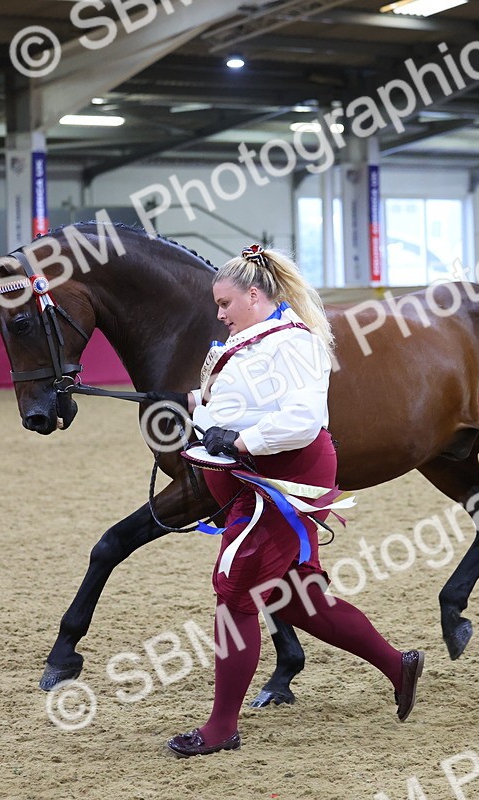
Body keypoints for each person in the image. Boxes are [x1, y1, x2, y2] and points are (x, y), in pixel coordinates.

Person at [146, 244, 423, 758]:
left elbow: (300, 421)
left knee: (235, 596)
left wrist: (243, 442)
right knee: (294, 597)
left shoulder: (292, 344)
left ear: (254, 295)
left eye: (226, 303)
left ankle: (221, 727)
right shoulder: (251, 340)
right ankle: (396, 664)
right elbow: (230, 407)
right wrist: (200, 412)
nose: (220, 313)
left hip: (284, 477)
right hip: (255, 474)